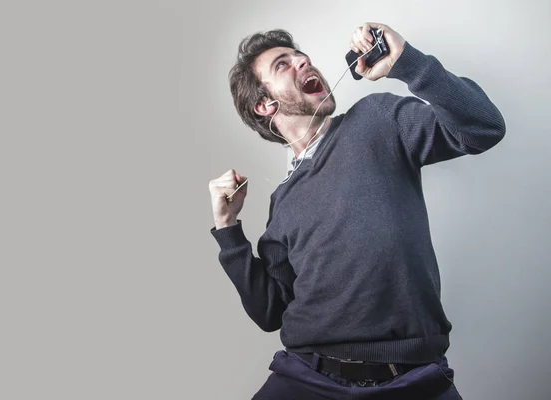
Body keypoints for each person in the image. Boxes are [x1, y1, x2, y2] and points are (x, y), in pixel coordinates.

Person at [208, 22, 505, 399]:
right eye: (283, 64)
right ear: (265, 104)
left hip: (412, 378)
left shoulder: (376, 118)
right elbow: (269, 312)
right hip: (306, 376)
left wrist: (407, 63)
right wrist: (228, 227)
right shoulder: (282, 201)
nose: (302, 62)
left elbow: (484, 128)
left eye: (302, 57)